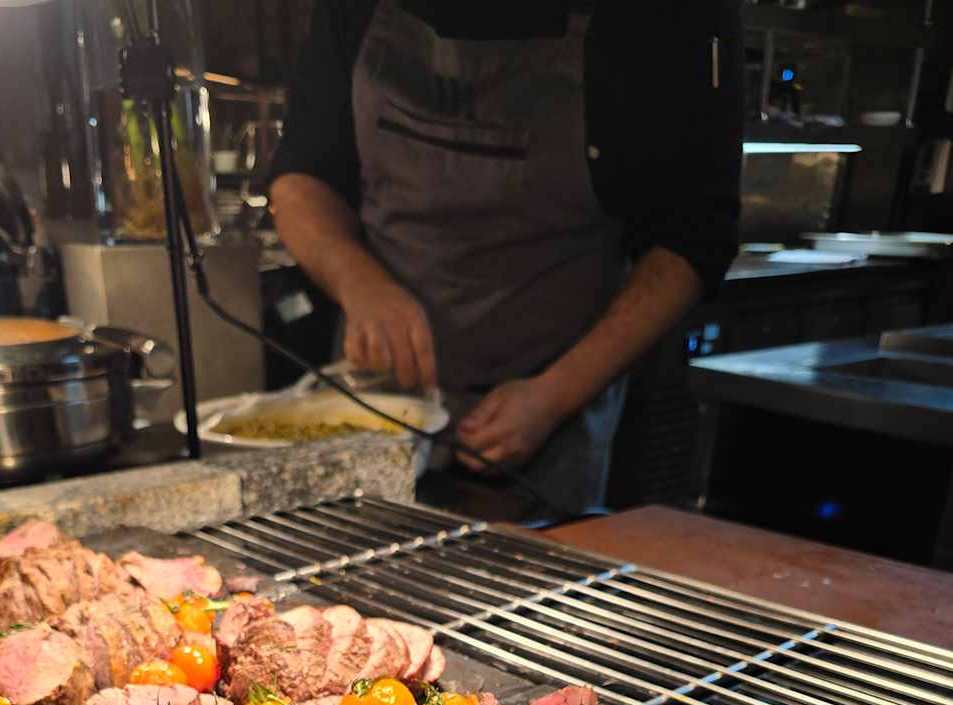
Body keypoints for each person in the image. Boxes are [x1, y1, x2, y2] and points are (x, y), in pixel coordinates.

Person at [269, 0, 743, 520]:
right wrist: (357, 281)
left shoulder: (668, 17)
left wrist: (554, 395)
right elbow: (301, 178)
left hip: (554, 412)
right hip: (374, 402)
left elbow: (692, 241)